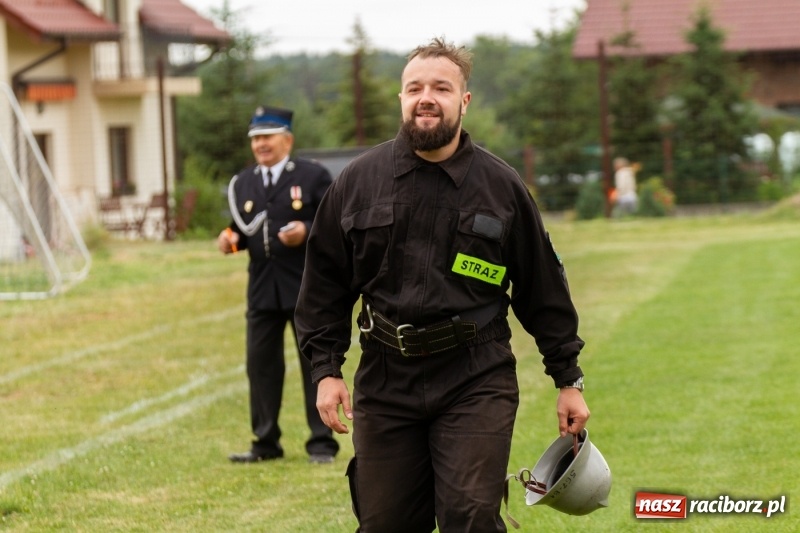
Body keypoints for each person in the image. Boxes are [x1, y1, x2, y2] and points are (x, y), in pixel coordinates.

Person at [295, 38, 590, 531]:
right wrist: (326, 370)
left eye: (441, 87)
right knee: (384, 522)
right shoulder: (358, 183)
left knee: (470, 515)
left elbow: (543, 289)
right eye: (414, 88)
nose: (426, 97)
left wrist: (568, 379)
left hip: (475, 376)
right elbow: (323, 286)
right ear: (401, 99)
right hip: (386, 378)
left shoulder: (501, 187)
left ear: (464, 101)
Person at [218, 106, 339, 465]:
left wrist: (305, 231)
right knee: (261, 367)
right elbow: (244, 229)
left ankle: (321, 443)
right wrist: (228, 241)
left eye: (268, 137)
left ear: (287, 139)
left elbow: (332, 220)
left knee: (312, 365)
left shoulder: (312, 176)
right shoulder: (243, 183)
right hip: (262, 290)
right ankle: (265, 442)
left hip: (305, 287)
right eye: (256, 139)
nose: (261, 145)